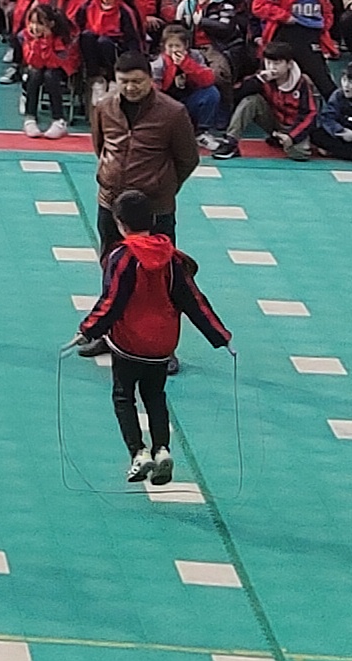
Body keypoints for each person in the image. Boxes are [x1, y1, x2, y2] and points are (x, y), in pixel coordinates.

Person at [72, 191, 234, 486]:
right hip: (162, 345)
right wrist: (220, 336)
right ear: (154, 219)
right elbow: (194, 301)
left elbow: (112, 301)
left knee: (124, 396)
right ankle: (162, 449)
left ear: (119, 223)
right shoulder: (172, 258)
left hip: (128, 343)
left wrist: (87, 330)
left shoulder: (122, 257)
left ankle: (138, 452)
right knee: (155, 396)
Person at [89, 55, 199, 251]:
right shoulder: (104, 106)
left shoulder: (173, 112)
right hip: (110, 202)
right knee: (112, 262)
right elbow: (101, 146)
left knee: (158, 263)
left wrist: (162, 185)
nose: (130, 87)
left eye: (137, 81)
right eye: (124, 81)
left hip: (154, 206)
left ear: (150, 78)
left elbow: (188, 159)